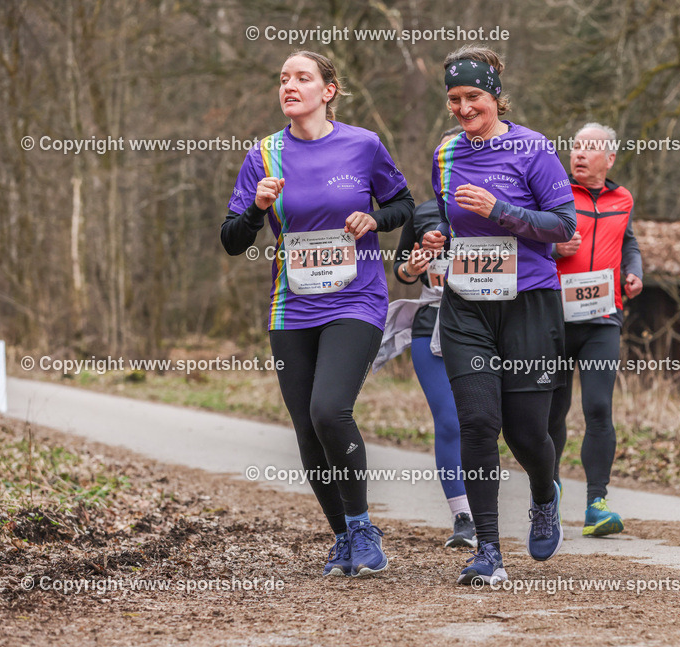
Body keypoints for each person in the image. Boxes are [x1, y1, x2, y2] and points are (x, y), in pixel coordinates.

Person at [220, 50, 413, 578]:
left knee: (330, 410)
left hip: (357, 298)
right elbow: (233, 241)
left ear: (328, 90)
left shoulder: (363, 144)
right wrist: (257, 210)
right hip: (293, 306)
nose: (290, 85)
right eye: (283, 77)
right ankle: (345, 537)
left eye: (302, 77)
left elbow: (405, 205)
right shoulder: (264, 154)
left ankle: (364, 526)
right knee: (307, 429)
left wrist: (373, 218)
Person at [421, 46, 577, 586]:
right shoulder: (444, 154)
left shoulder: (533, 148)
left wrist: (502, 213)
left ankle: (543, 494)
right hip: (467, 304)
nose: (464, 108)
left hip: (530, 301)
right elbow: (441, 217)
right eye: (455, 99)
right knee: (479, 423)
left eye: (474, 98)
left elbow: (563, 226)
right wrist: (432, 240)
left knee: (528, 432)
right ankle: (488, 550)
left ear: (495, 98)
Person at [373, 126, 476, 549]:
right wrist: (414, 267)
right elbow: (400, 270)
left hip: (486, 327)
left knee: (490, 423)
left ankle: (541, 494)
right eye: (448, 164)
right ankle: (464, 518)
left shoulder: (504, 209)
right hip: (430, 323)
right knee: (450, 422)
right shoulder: (425, 213)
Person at [548, 123, 642, 536]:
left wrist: (634, 273)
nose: (579, 155)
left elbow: (629, 243)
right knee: (552, 411)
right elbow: (524, 238)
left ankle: (596, 505)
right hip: (554, 316)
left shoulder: (623, 199)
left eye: (590, 148)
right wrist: (552, 247)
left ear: (610, 158)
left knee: (599, 408)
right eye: (575, 148)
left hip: (603, 318)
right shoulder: (555, 193)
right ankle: (546, 498)